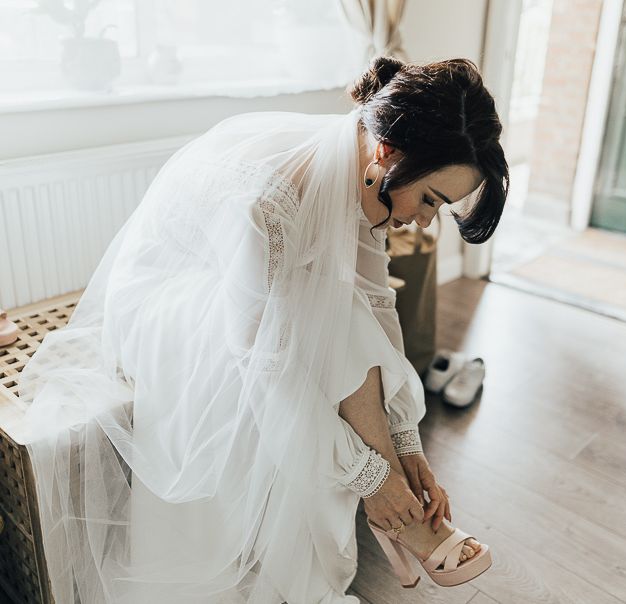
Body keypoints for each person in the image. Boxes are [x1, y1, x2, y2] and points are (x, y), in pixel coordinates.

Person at [13, 55, 508, 604]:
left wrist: (405, 443)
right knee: (335, 330)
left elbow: (375, 302)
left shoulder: (365, 175)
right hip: (180, 305)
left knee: (348, 318)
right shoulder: (266, 200)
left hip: (270, 305)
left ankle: (396, 507)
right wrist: (369, 477)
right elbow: (265, 365)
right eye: (430, 200)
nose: (423, 220)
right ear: (388, 153)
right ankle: (396, 517)